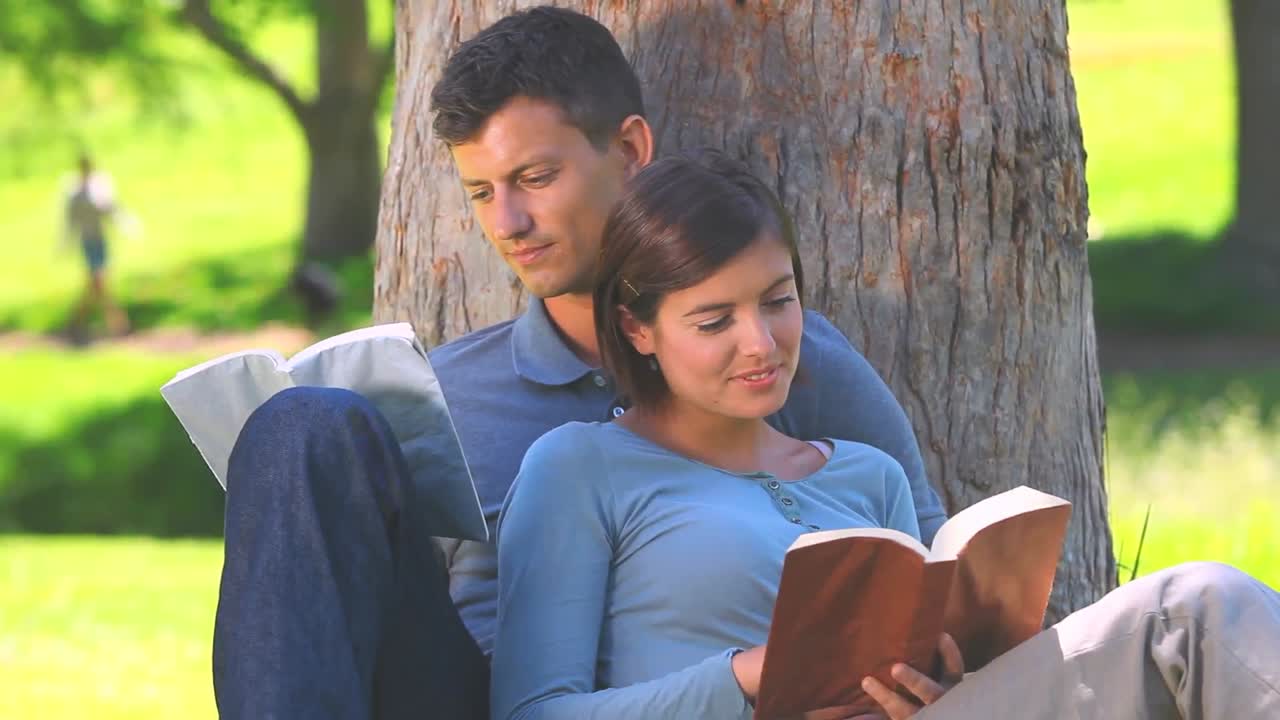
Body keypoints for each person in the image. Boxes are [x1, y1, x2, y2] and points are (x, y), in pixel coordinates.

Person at [211, 7, 945, 720]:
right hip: (475, 694)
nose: (507, 224)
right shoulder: (450, 390)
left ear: (628, 151)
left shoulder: (787, 356)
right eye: (480, 192)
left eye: (534, 178)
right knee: (303, 424)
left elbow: (930, 569)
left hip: (721, 693)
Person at [491, 151, 1280, 720]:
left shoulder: (867, 477)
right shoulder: (580, 469)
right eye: (714, 320)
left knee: (1198, 615)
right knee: (1192, 607)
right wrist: (751, 676)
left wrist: (928, 686)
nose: (762, 343)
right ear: (638, 329)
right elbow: (532, 711)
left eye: (777, 300)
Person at [64, 153, 129, 339]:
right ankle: (117, 322)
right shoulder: (75, 192)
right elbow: (71, 219)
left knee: (96, 282)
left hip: (99, 239)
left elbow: (112, 208)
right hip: (88, 239)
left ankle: (77, 321)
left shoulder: (98, 188)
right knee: (99, 280)